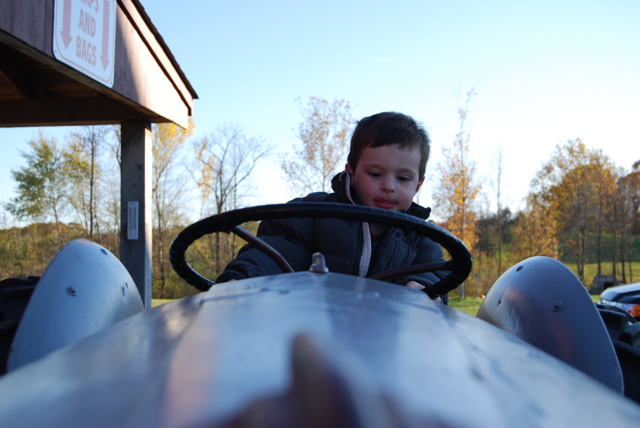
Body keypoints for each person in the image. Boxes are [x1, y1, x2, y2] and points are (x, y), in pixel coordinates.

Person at [216, 112, 448, 302]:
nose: (389, 187)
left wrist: (424, 287)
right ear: (352, 173)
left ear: (418, 185)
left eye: (403, 179)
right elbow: (275, 252)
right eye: (375, 174)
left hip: (385, 344)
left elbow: (433, 273)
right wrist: (243, 278)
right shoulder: (313, 216)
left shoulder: (421, 240)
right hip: (314, 335)